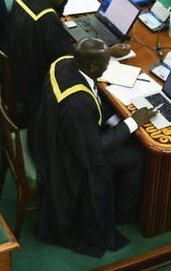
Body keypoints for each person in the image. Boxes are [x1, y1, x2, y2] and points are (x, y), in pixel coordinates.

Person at [29, 39, 152, 257]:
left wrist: (119, 122)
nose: (107, 68)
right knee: (136, 155)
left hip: (48, 133)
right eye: (105, 63)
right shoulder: (76, 103)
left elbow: (94, 108)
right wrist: (133, 122)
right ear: (92, 66)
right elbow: (95, 149)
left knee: (125, 134)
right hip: (66, 158)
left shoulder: (65, 62)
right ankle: (124, 214)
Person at [4, 0, 74, 122]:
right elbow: (66, 58)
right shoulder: (46, 18)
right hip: (32, 80)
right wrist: (108, 53)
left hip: (15, 60)